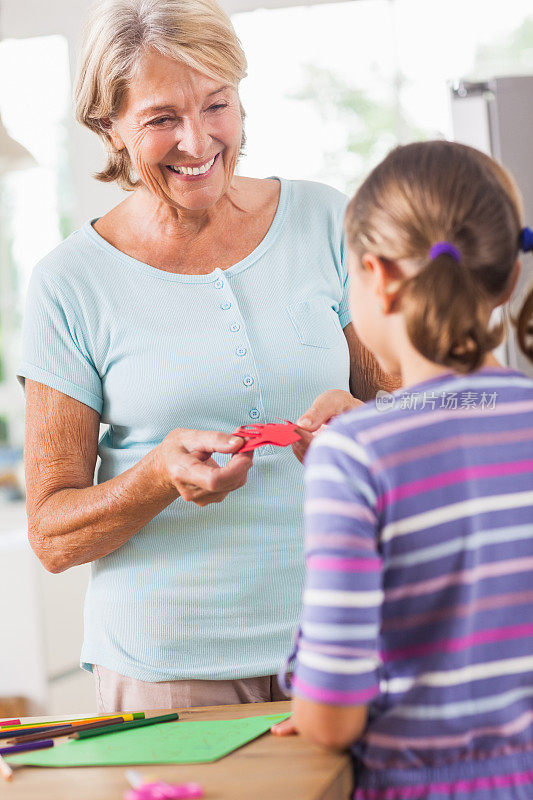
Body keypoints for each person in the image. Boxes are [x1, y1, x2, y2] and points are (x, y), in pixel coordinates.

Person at [17, 0, 395, 713]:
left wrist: (366, 429)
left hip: (345, 643)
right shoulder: (70, 284)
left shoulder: (324, 222)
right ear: (111, 128)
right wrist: (155, 476)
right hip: (167, 668)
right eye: (161, 118)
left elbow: (412, 411)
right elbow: (53, 536)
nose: (198, 140)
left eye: (216, 105)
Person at [272, 140, 533, 799]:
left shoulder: (356, 455)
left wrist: (309, 705)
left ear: (377, 276)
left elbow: (330, 719)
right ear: (505, 276)